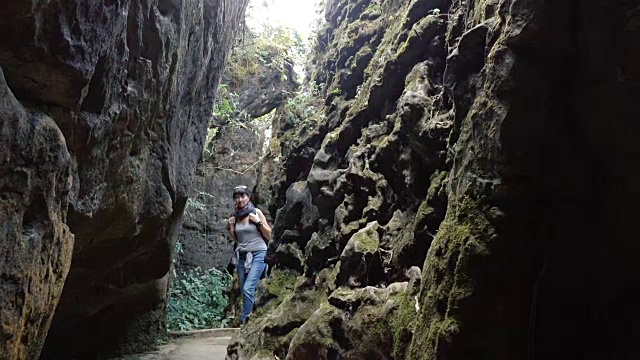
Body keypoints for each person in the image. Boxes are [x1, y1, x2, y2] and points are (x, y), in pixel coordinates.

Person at [227, 185, 271, 325]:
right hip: (242, 256)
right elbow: (237, 239)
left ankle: (245, 321)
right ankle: (253, 316)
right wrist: (232, 227)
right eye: (237, 197)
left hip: (259, 253)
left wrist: (257, 222)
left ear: (248, 197)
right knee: (243, 289)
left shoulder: (256, 212)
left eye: (242, 196)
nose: (240, 199)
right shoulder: (236, 216)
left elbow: (269, 235)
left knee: (248, 288)